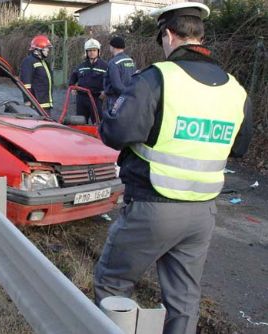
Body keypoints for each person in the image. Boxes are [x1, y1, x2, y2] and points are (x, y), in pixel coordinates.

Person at [93, 3, 252, 334]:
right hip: (203, 213)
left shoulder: (157, 78)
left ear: (167, 34)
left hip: (153, 206)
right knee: (183, 300)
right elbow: (239, 147)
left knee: (113, 285)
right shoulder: (235, 89)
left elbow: (116, 132)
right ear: (199, 35)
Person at [69, 38, 107, 123]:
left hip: (96, 99)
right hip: (81, 99)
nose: (92, 52)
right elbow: (73, 77)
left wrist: (105, 92)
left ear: (98, 51)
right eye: (89, 50)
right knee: (80, 123)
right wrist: (73, 87)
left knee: (97, 123)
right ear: (86, 52)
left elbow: (110, 81)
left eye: (94, 50)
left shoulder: (105, 66)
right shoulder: (81, 66)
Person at [20, 35, 54, 115]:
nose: (48, 50)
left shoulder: (44, 62)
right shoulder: (29, 61)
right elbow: (25, 84)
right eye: (46, 48)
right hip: (36, 106)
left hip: (45, 104)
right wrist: (27, 100)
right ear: (38, 49)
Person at [103, 36, 136, 111]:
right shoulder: (130, 61)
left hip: (116, 99)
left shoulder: (114, 62)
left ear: (113, 47)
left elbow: (116, 85)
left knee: (114, 121)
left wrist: (124, 96)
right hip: (130, 99)